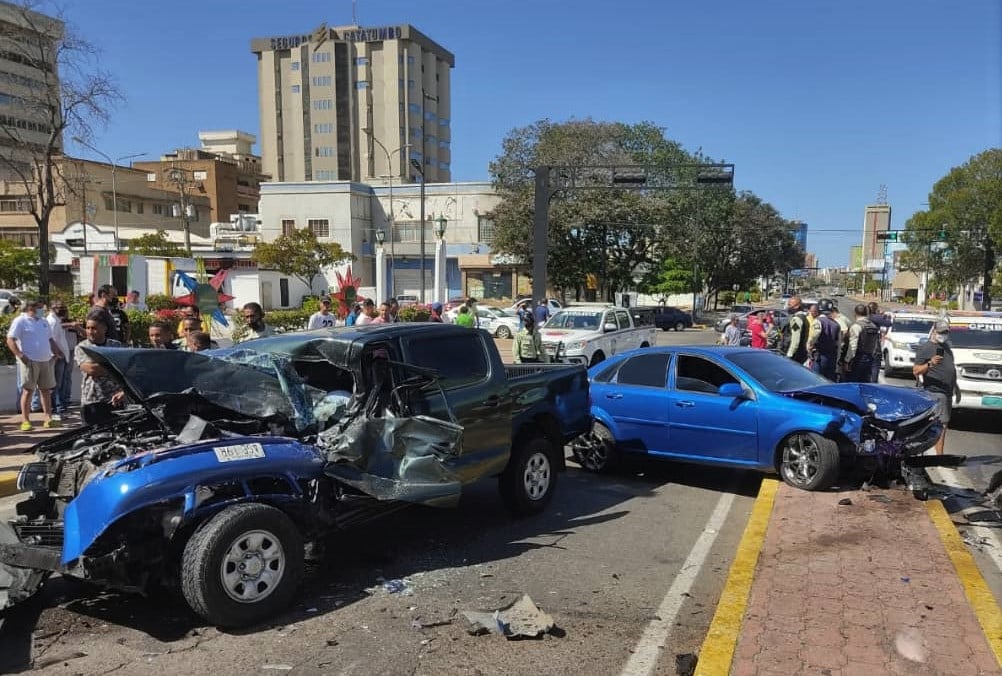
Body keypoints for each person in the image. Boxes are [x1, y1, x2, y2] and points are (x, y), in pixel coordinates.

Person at [7, 300, 62, 431]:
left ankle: (47, 418)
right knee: (28, 391)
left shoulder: (43, 321)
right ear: (31, 307)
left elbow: (50, 339)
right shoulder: (20, 321)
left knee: (46, 390)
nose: (42, 309)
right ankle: (25, 420)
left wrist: (56, 351)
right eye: (39, 307)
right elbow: (10, 339)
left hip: (45, 360)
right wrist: (20, 355)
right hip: (29, 360)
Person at [913, 319, 959, 455]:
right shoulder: (925, 347)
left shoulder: (946, 348)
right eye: (941, 332)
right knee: (941, 424)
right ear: (934, 331)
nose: (943, 335)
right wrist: (930, 364)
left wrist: (956, 386)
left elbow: (951, 369)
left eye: (946, 332)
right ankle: (939, 456)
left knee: (942, 424)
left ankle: (931, 454)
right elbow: (916, 371)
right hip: (935, 391)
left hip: (947, 391)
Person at [75, 310, 125, 426]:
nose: (90, 332)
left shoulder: (116, 346)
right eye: (88, 328)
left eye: (94, 328)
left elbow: (126, 369)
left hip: (114, 400)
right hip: (92, 400)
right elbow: (92, 370)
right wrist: (114, 366)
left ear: (104, 329)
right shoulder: (82, 347)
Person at [843, 304, 882, 383]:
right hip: (870, 357)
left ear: (855, 313)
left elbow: (853, 346)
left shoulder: (856, 326)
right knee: (865, 383)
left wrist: (847, 360)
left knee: (852, 382)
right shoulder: (873, 326)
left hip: (858, 358)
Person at [46, 301, 71, 415]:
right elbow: (51, 340)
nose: (63, 310)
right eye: (61, 307)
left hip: (62, 356)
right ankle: (56, 408)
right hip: (57, 357)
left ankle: (60, 407)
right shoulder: (52, 321)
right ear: (54, 308)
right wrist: (57, 353)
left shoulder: (57, 320)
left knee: (60, 383)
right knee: (56, 384)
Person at [809, 299, 841, 380]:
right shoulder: (836, 324)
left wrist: (810, 345)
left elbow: (814, 336)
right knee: (828, 381)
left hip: (819, 355)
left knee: (815, 380)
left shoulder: (818, 321)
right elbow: (839, 343)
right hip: (832, 356)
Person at [867, 301, 891, 383]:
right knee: (874, 369)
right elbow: (888, 323)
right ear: (875, 309)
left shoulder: (865, 317)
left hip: (863, 347)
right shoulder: (875, 317)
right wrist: (885, 316)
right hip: (874, 348)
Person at [782, 296, 810, 364]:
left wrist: (789, 355)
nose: (788, 307)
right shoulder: (803, 317)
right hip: (800, 354)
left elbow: (795, 340)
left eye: (790, 305)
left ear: (797, 306)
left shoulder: (796, 319)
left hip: (795, 356)